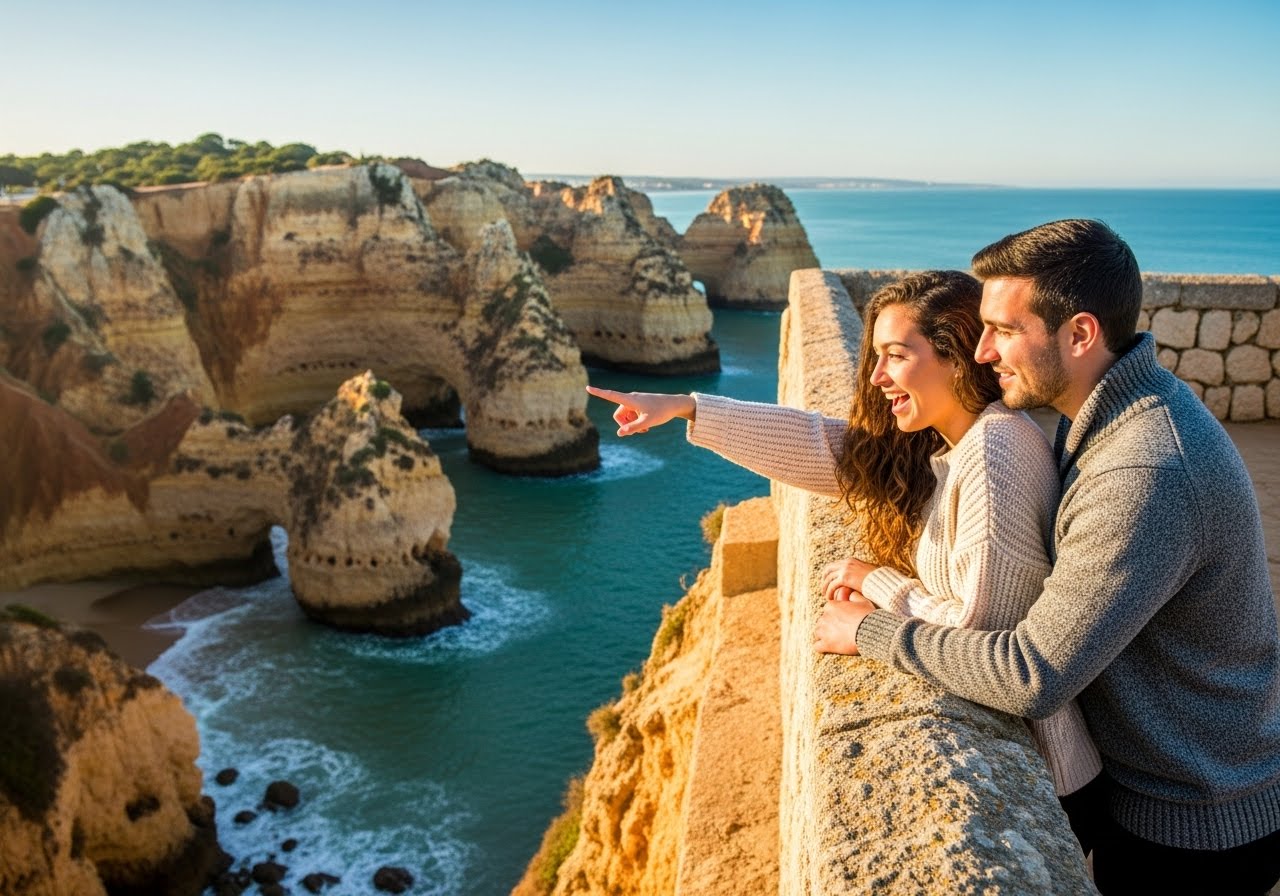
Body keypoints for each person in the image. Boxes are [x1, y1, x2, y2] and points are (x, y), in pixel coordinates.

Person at [815, 220, 1280, 894]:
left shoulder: (1146, 467)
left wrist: (871, 631)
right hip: (1170, 791)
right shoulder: (1104, 417)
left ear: (1080, 334)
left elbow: (1032, 673)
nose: (980, 352)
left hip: (1197, 822)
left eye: (1003, 330)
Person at [587, 269, 1102, 820]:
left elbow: (983, 639)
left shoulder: (995, 452)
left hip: (1052, 784)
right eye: (875, 356)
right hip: (1045, 774)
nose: (877, 375)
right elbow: (826, 447)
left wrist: (876, 590)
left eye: (897, 355)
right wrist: (688, 407)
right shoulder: (956, 439)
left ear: (957, 353)